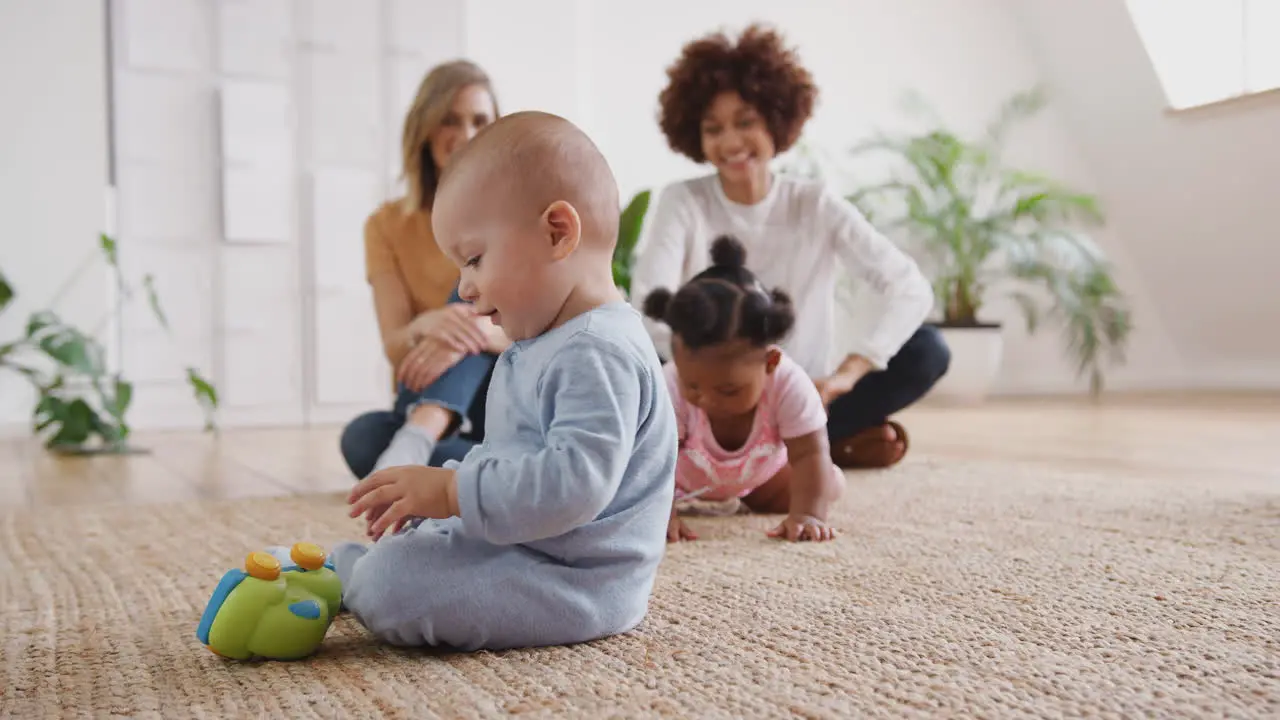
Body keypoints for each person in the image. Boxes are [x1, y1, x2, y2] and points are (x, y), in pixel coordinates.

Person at [327, 111, 678, 652]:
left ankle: (358, 579)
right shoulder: (549, 341)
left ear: (557, 233)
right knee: (418, 547)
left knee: (396, 591)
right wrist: (446, 490)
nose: (465, 289)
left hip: (577, 580)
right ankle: (364, 569)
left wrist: (450, 492)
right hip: (535, 546)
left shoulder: (597, 351)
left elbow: (573, 488)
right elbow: (515, 455)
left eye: (473, 259)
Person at [629, 24, 951, 470]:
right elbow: (649, 308)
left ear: (777, 120)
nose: (730, 142)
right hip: (707, 398)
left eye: (746, 122)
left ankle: (781, 445)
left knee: (927, 350)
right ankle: (813, 447)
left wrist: (845, 375)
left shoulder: (813, 203)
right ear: (695, 136)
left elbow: (908, 287)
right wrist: (720, 369)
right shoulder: (682, 201)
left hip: (801, 395)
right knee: (629, 365)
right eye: (713, 128)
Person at [339, 60, 510, 479]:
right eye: (450, 120)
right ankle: (501, 468)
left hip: (501, 389)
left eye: (480, 120)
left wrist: (482, 334)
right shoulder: (386, 224)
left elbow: (553, 338)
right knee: (361, 438)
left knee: (466, 302)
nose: (468, 134)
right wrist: (428, 325)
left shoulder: (512, 215)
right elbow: (396, 344)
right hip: (420, 384)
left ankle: (417, 442)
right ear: (425, 129)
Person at [644, 235, 843, 543]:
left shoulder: (789, 383)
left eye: (727, 390)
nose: (706, 399)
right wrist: (662, 515)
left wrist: (808, 515)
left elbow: (808, 451)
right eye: (692, 384)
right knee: (632, 489)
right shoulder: (669, 383)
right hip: (682, 480)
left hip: (761, 478)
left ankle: (781, 497)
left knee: (823, 482)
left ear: (770, 362)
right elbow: (656, 461)